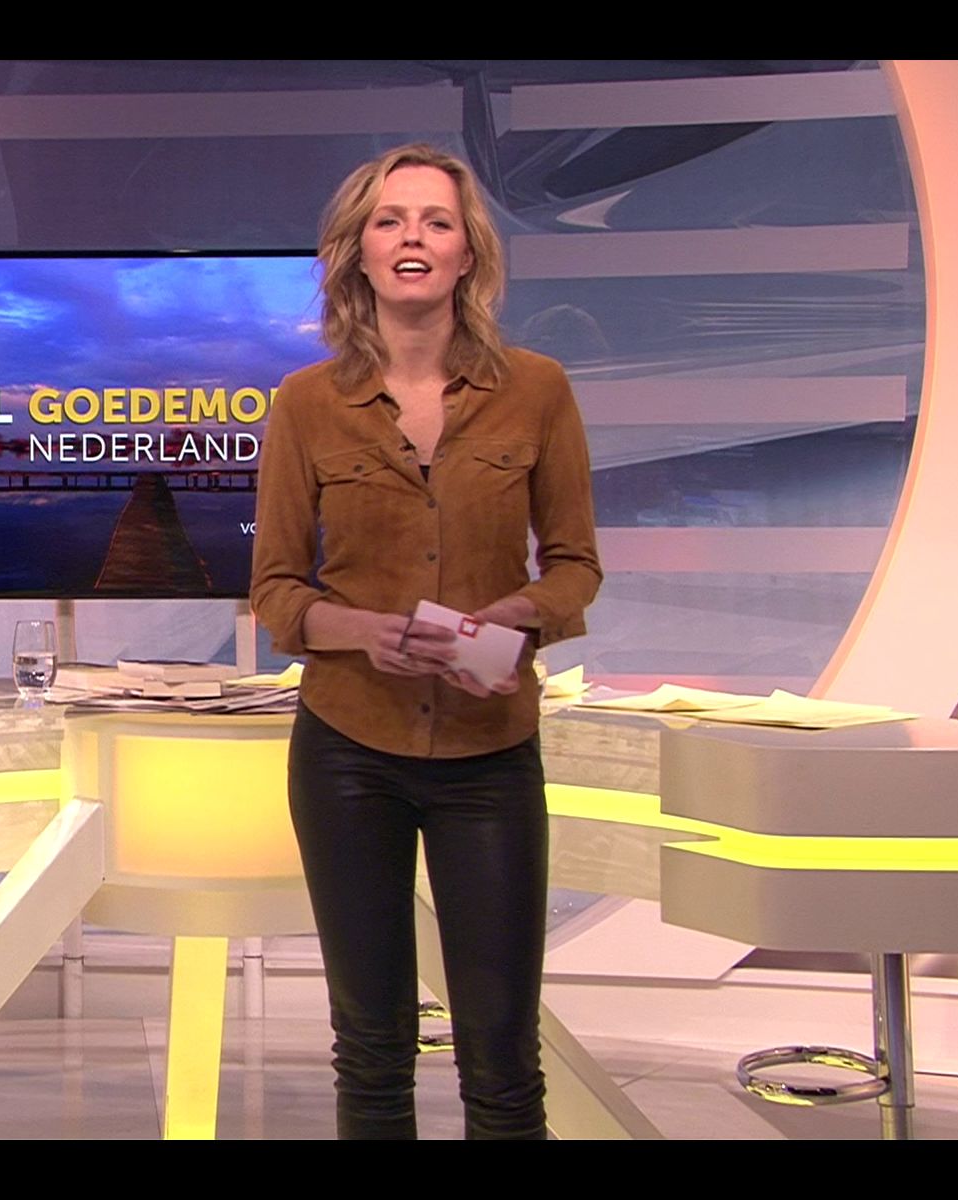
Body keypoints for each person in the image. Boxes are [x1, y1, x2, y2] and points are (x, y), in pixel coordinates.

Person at [250, 144, 601, 1140]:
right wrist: (362, 631)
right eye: (390, 220)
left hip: (490, 753)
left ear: (467, 253)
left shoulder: (538, 389)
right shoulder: (305, 402)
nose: (413, 237)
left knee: (502, 1052)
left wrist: (514, 617)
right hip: (348, 750)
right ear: (358, 251)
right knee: (372, 1048)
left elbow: (575, 566)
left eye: (436, 221)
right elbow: (276, 590)